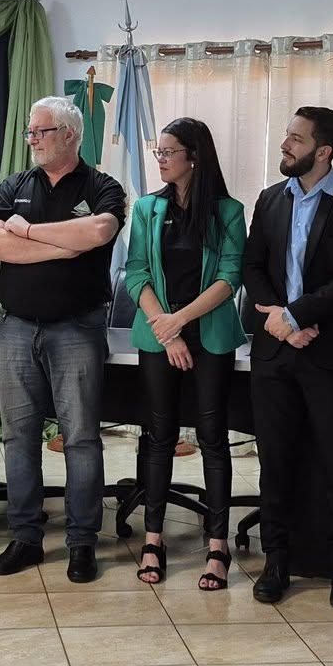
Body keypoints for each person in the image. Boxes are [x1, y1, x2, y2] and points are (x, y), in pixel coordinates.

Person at [241, 107, 333, 611]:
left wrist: (296, 316)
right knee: (275, 460)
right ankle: (276, 560)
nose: (285, 144)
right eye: (286, 135)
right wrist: (280, 320)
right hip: (275, 352)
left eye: (296, 139)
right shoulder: (269, 199)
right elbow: (252, 266)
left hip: (332, 354)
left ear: (323, 151)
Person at [0, 97, 126, 582]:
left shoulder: (102, 186)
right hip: (17, 326)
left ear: (69, 134)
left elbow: (98, 231)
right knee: (18, 436)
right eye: (30, 132)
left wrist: (27, 232)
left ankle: (82, 542)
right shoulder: (14, 185)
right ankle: (25, 537)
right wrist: (62, 246)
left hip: (77, 328)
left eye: (40, 131)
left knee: (80, 438)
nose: (32, 139)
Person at [123, 116, 246, 589]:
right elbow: (137, 273)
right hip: (160, 334)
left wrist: (182, 321)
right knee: (160, 436)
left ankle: (218, 545)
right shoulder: (147, 208)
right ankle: (153, 540)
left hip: (208, 333)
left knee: (212, 437)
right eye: (158, 152)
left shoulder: (228, 211)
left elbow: (230, 277)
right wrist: (168, 330)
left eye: (168, 152)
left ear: (193, 157)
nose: (161, 159)